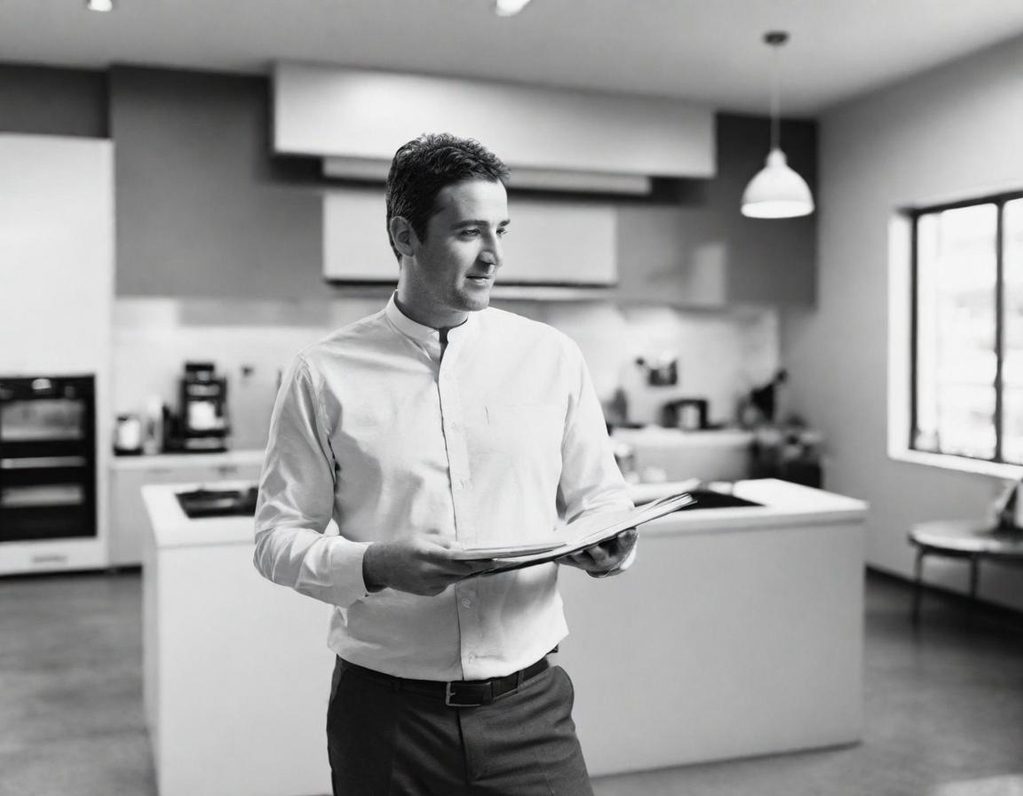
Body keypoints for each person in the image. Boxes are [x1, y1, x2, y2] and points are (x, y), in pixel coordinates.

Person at [253, 132, 637, 795]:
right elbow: (275, 540)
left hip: (530, 710)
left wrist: (609, 540)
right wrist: (375, 564)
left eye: (500, 231)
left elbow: (602, 497)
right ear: (405, 235)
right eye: (468, 232)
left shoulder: (551, 357)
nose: (493, 255)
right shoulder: (322, 374)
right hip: (387, 721)